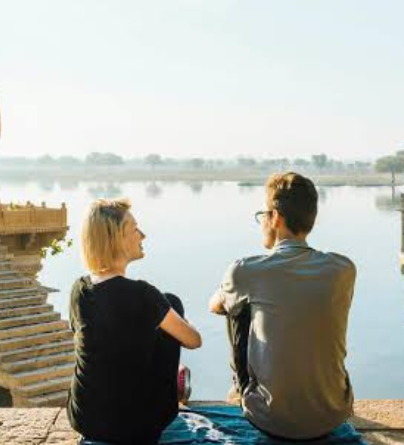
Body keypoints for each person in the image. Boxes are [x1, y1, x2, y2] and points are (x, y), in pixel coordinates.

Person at [209, 172, 356, 440]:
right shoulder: (343, 269)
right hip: (333, 414)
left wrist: (233, 288)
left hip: (271, 421)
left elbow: (215, 306)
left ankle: (243, 393)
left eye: (263, 215)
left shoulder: (247, 270)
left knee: (236, 310)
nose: (262, 222)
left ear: (276, 217)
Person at [68, 198, 202, 445]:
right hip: (138, 428)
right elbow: (194, 341)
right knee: (172, 303)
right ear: (116, 238)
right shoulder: (144, 295)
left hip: (85, 418)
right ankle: (174, 385)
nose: (143, 235)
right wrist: (175, 319)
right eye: (135, 229)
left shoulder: (79, 290)